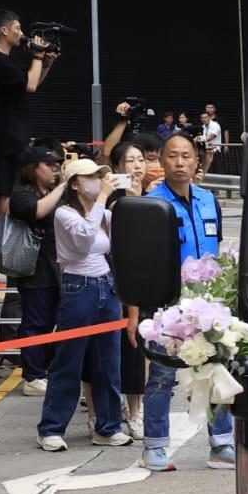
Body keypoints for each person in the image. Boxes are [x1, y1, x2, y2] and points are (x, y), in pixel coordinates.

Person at [140, 131, 234, 471]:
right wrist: (134, 309)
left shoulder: (209, 200)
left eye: (186, 156)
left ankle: (222, 443)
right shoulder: (151, 202)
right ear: (161, 161)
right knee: (163, 375)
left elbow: (218, 247)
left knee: (215, 370)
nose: (180, 162)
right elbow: (139, 259)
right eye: (172, 156)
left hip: (208, 302)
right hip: (166, 302)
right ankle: (154, 446)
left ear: (197, 161)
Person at [38, 157, 130, 452]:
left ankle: (108, 426)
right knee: (69, 359)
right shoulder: (65, 213)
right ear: (76, 183)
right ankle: (51, 428)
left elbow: (123, 236)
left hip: (106, 284)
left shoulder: (104, 213)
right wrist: (103, 198)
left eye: (101, 176)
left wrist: (133, 193)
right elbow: (81, 241)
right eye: (92, 177)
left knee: (109, 360)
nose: (99, 181)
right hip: (79, 287)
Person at [0, 9, 58, 221]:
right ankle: (5, 241)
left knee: (0, 189)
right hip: (6, 135)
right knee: (5, 189)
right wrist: (37, 55)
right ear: (3, 30)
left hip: (5, 134)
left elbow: (30, 83)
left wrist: (46, 63)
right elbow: (31, 85)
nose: (21, 33)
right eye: (17, 28)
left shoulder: (4, 61)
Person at [7, 147, 67, 397]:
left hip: (57, 266)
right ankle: (33, 375)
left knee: (55, 321)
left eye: (56, 165)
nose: (54, 169)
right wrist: (62, 187)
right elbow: (36, 211)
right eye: (49, 164)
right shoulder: (21, 194)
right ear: (33, 168)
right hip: (35, 270)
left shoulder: (49, 193)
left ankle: (47, 370)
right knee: (36, 322)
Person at [106, 136, 152, 439]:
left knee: (141, 346)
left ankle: (137, 410)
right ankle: (119, 406)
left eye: (140, 160)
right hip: (117, 281)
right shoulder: (111, 201)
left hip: (147, 279)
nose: (136, 166)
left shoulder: (152, 195)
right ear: (117, 168)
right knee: (124, 344)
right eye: (129, 162)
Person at [199, 103, 224, 173]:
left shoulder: (215, 125)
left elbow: (209, 138)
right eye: (202, 118)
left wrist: (196, 139)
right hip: (206, 152)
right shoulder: (202, 127)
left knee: (217, 173)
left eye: (206, 117)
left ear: (209, 118)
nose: (204, 119)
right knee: (206, 173)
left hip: (215, 152)